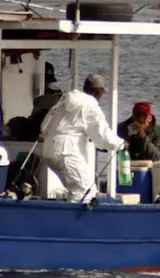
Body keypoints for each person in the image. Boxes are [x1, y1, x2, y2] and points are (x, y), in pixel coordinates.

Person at [39, 74, 123, 203]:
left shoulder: (65, 100)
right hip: (66, 152)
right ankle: (71, 220)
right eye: (101, 92)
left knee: (78, 189)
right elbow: (102, 134)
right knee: (86, 191)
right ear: (98, 91)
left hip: (49, 150)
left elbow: (44, 125)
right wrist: (120, 144)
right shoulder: (91, 105)